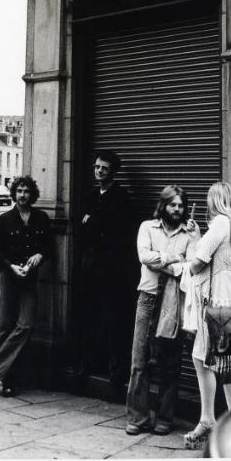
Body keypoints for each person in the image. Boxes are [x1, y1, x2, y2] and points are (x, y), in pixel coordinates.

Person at [125, 184, 200, 436]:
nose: (177, 209)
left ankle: (164, 418)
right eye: (173, 204)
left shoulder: (189, 234)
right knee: (139, 361)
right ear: (164, 205)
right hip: (148, 299)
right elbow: (143, 256)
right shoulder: (147, 227)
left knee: (170, 363)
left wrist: (166, 260)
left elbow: (192, 267)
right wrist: (174, 259)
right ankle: (138, 417)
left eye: (181, 205)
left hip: (173, 301)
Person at [183, 181, 231, 450]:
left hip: (217, 304)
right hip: (223, 302)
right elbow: (213, 256)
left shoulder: (221, 223)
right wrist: (199, 238)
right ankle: (208, 419)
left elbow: (199, 262)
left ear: (216, 201)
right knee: (203, 359)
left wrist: (186, 261)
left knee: (226, 367)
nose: (208, 205)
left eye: (210, 200)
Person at [0, 176, 53, 397]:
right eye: (19, 191)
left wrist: (39, 255)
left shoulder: (41, 218)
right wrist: (10, 266)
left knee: (25, 325)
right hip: (9, 278)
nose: (23, 195)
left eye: (26, 191)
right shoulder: (4, 220)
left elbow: (49, 247)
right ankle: (7, 380)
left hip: (29, 280)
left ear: (32, 194)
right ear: (14, 194)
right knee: (5, 327)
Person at [77, 150, 138, 399]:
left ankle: (116, 375)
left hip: (112, 272)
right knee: (89, 319)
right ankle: (86, 368)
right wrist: (96, 224)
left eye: (104, 168)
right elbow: (83, 230)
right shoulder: (90, 196)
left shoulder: (122, 198)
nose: (99, 171)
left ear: (113, 171)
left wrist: (93, 222)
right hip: (90, 268)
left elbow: (119, 232)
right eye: (96, 167)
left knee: (114, 321)